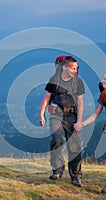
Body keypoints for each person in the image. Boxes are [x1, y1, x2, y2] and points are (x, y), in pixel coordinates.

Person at [39, 55, 85, 187]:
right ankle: (57, 171)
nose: (75, 71)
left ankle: (75, 176)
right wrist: (41, 114)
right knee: (56, 140)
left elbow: (81, 102)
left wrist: (80, 121)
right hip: (57, 115)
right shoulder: (54, 80)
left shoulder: (77, 81)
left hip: (72, 116)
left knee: (74, 146)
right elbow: (47, 97)